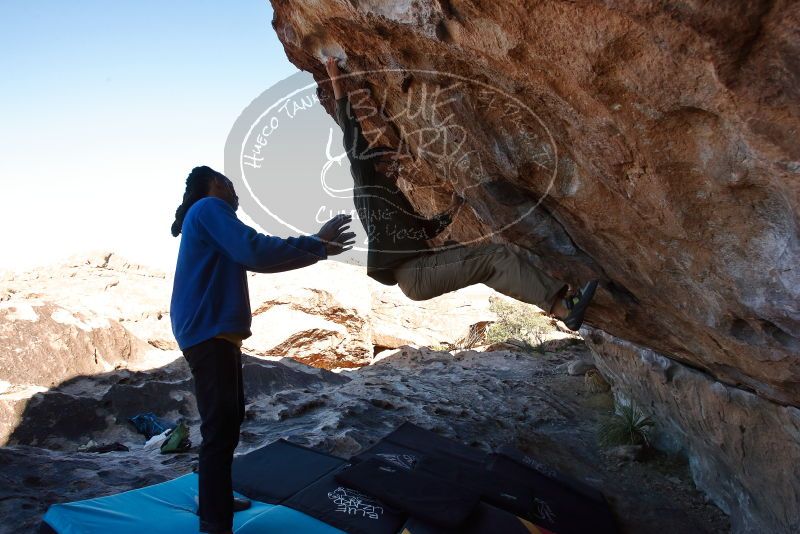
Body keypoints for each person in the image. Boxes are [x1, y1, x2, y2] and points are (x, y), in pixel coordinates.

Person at [324, 57, 596, 330]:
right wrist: (336, 81)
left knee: (492, 265)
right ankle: (563, 308)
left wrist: (452, 210)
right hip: (416, 273)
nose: (396, 168)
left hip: (419, 273)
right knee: (496, 257)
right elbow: (352, 134)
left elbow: (423, 229)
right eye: (389, 163)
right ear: (372, 164)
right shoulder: (367, 183)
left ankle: (559, 303)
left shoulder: (388, 200)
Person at [169, 165, 354, 534]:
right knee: (220, 429)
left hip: (211, 333)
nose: (236, 193)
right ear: (216, 183)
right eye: (231, 184)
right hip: (209, 332)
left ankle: (215, 498)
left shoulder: (202, 216)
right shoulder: (209, 207)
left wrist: (316, 244)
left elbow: (255, 250)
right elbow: (254, 250)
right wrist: (318, 245)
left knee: (227, 422)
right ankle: (214, 521)